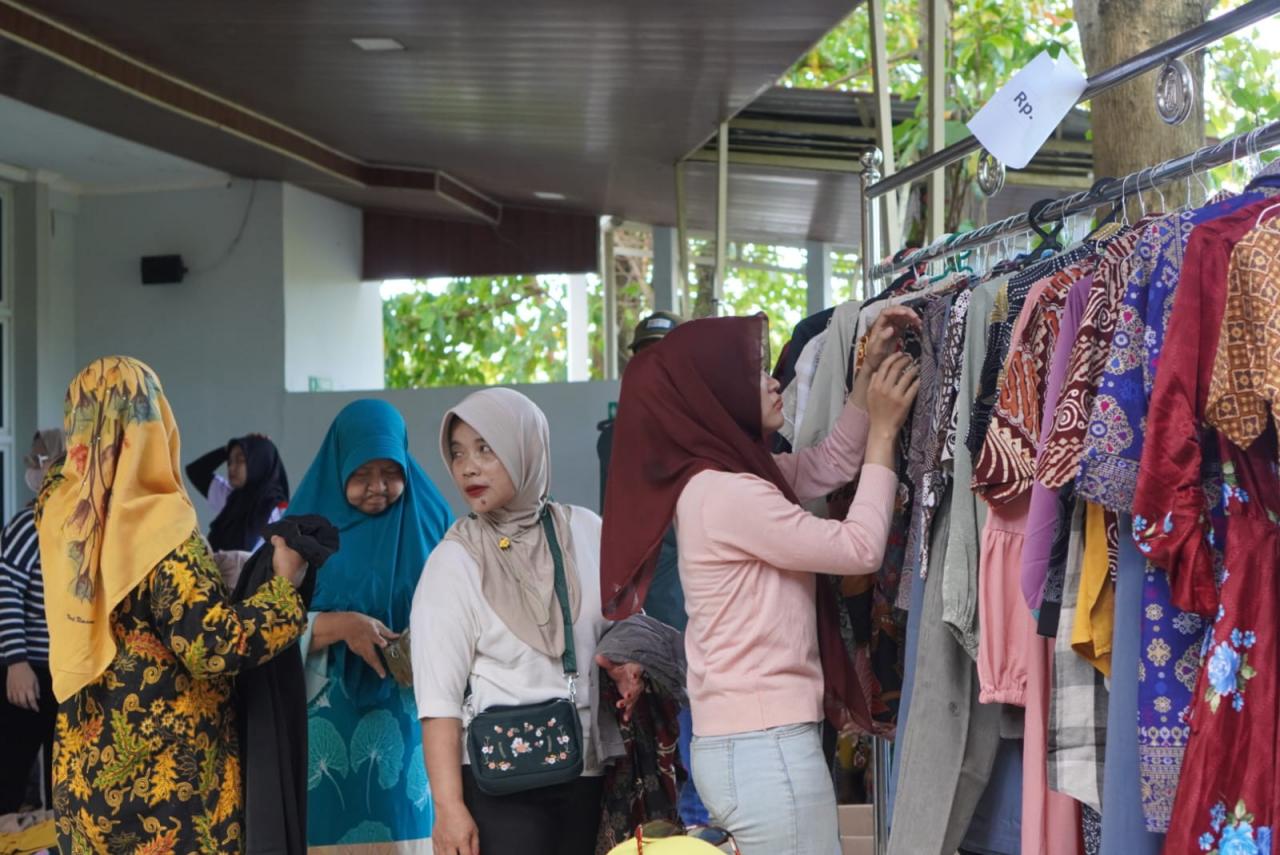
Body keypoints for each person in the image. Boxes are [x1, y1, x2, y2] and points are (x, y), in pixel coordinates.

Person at [600, 311, 920, 855]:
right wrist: (885, 434)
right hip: (764, 748)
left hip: (750, 743)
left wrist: (866, 379)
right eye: (753, 374)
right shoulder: (728, 494)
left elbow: (828, 464)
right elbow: (857, 548)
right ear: (714, 397)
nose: (774, 381)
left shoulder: (728, 476)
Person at [34, 357, 310, 854]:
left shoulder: (59, 505)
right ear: (154, 422)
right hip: (169, 785)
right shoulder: (160, 527)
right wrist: (284, 589)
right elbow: (212, 645)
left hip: (82, 767)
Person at [413, 388, 631, 855]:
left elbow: (629, 625)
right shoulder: (454, 562)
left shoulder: (586, 532)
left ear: (526, 447)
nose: (468, 468)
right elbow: (438, 702)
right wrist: (448, 809)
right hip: (499, 784)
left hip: (588, 772)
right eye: (457, 453)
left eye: (485, 449)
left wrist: (629, 661)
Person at [289, 399, 452, 853]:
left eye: (390, 472)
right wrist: (340, 625)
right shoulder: (300, 533)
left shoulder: (432, 519)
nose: (377, 487)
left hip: (410, 712)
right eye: (361, 474)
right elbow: (265, 626)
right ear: (339, 466)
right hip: (325, 709)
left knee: (409, 832)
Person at [0, 429, 64, 814]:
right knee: (11, 772)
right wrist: (17, 664)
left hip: (63, 673)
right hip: (30, 672)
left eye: (39, 459)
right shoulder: (30, 524)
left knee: (62, 779)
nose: (32, 467)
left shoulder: (71, 524)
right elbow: (5, 589)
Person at [186, 434, 290, 552]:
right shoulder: (232, 498)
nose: (231, 468)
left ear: (259, 462)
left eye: (240, 460)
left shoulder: (279, 512)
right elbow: (196, 472)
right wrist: (226, 450)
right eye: (229, 462)